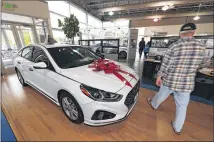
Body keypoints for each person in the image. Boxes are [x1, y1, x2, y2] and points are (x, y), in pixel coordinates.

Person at [147, 23, 206, 135]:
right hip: (186, 83)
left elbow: (166, 64)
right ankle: (177, 128)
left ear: (180, 34)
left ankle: (154, 105)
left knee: (162, 94)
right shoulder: (201, 46)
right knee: (182, 106)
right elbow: (202, 64)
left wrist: (159, 76)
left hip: (171, 80)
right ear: (193, 32)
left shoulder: (175, 46)